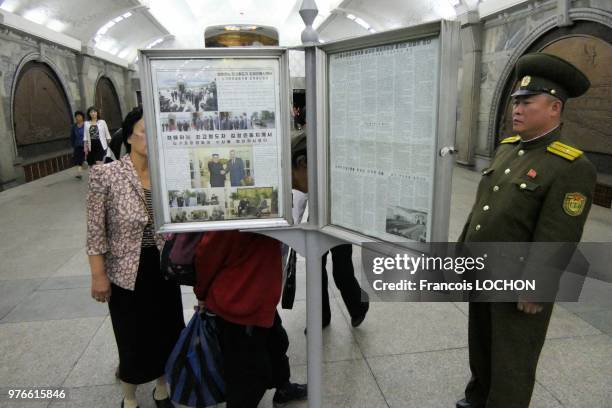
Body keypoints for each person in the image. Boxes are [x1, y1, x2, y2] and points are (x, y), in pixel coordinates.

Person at [456, 53, 596, 408]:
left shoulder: (570, 166)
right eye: (515, 102)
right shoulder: (508, 149)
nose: (515, 109)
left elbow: (560, 234)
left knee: (513, 358)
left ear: (554, 108)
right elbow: (482, 209)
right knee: (482, 341)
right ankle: (479, 396)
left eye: (526, 103)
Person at [87, 107, 184, 408]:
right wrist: (98, 275)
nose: (152, 138)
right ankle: (129, 396)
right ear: (129, 136)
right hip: (127, 272)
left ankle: (161, 387)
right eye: (145, 131)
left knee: (167, 329)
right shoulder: (106, 174)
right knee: (132, 335)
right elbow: (94, 232)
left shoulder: (166, 173)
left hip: (163, 268)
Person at [194, 231, 307, 408]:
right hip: (239, 302)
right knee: (247, 378)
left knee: (276, 343)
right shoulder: (232, 220)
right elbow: (208, 254)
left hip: (259, 295)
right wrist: (201, 293)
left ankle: (283, 387)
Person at [291, 132, 369, 329]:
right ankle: (321, 316)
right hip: (317, 216)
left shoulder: (337, 145)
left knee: (342, 270)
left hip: (340, 216)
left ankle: (358, 305)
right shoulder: (306, 140)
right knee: (315, 268)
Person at [70, 110, 86, 179]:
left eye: (79, 116)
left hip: (86, 144)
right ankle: (79, 173)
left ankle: (95, 171)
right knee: (79, 160)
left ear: (82, 117)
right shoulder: (74, 126)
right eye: (76, 116)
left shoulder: (86, 125)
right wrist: (73, 145)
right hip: (78, 145)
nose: (78, 118)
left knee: (84, 159)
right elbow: (72, 136)